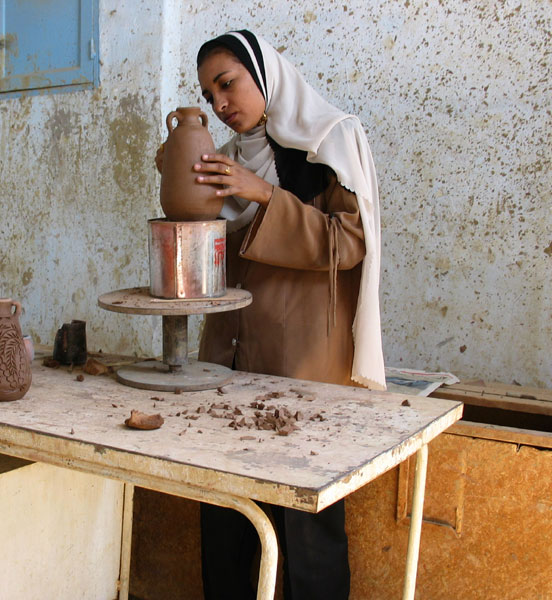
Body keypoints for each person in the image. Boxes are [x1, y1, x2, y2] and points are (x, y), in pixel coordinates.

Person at [156, 30, 387, 599]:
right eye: (210, 96)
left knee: (308, 528)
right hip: (233, 356)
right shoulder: (227, 160)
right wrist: (180, 177)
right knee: (228, 512)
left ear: (265, 76)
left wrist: (263, 195)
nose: (221, 103)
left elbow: (348, 243)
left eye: (228, 83)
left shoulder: (331, 139)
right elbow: (206, 251)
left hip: (305, 361)